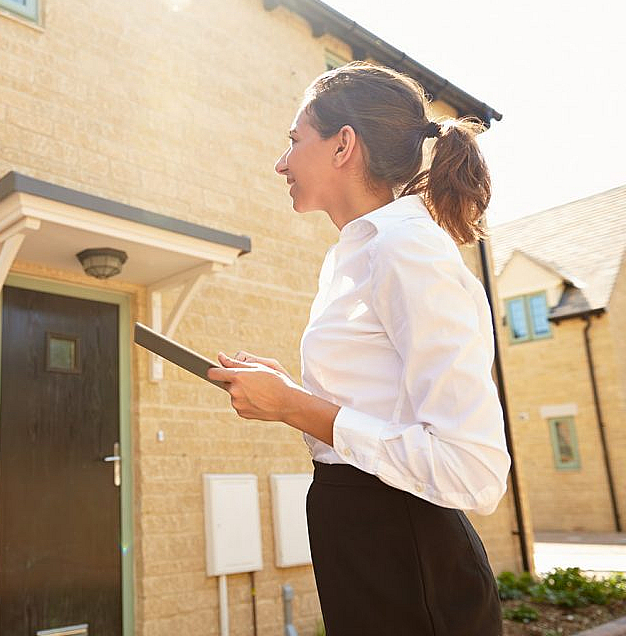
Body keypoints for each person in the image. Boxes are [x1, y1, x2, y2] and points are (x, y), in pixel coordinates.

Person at [207, 62, 511, 636]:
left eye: (295, 141)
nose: (281, 162)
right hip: (361, 543)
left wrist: (295, 407)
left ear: (343, 145)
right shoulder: (354, 256)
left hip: (410, 563)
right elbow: (373, 414)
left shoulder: (406, 253)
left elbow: (474, 471)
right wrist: (293, 397)